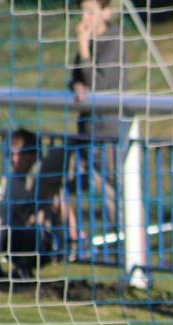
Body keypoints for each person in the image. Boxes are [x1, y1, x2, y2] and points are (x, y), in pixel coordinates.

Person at [67, 0, 127, 258]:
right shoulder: (88, 39)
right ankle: (71, 239)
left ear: (106, 12)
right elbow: (76, 79)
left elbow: (100, 85)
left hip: (107, 130)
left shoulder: (113, 41)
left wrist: (82, 47)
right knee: (64, 182)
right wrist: (76, 87)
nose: (85, 17)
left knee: (113, 190)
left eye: (90, 11)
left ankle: (125, 245)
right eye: (82, 11)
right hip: (85, 129)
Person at [0, 128, 55, 279]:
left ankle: (24, 269)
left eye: (18, 154)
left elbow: (57, 206)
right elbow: (2, 216)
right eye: (10, 154)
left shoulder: (44, 178)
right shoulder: (10, 180)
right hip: (9, 237)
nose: (13, 159)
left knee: (32, 227)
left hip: (38, 242)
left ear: (32, 155)